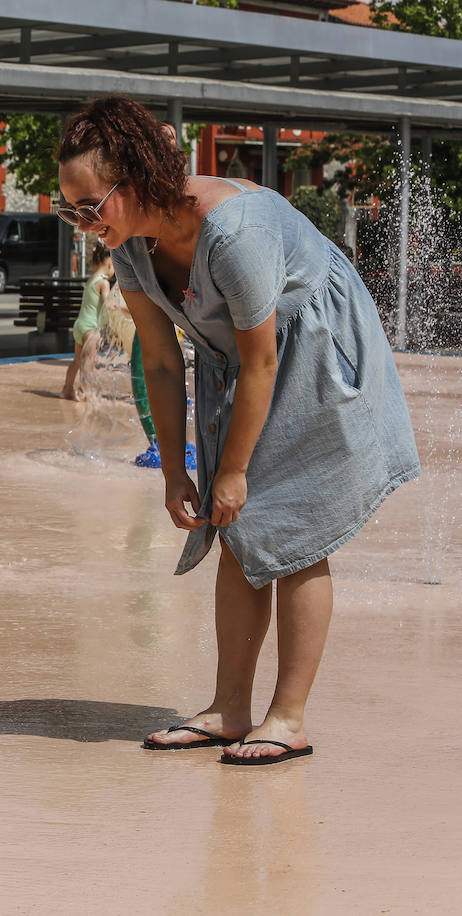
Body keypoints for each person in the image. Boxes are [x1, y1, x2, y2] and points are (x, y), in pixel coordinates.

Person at [56, 95, 419, 765]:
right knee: (238, 532)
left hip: (313, 350)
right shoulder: (133, 245)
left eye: (89, 206)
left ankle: (288, 717)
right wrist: (175, 470)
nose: (81, 223)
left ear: (135, 181)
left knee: (293, 529)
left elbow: (263, 360)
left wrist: (232, 469)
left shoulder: (233, 232)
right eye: (68, 208)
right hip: (246, 364)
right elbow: (163, 365)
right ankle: (229, 708)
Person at [61, 244, 114, 400]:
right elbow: (107, 304)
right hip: (91, 328)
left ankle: (67, 389)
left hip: (79, 325)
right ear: (110, 264)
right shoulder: (104, 283)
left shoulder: (91, 279)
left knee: (77, 361)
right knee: (88, 363)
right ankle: (84, 392)